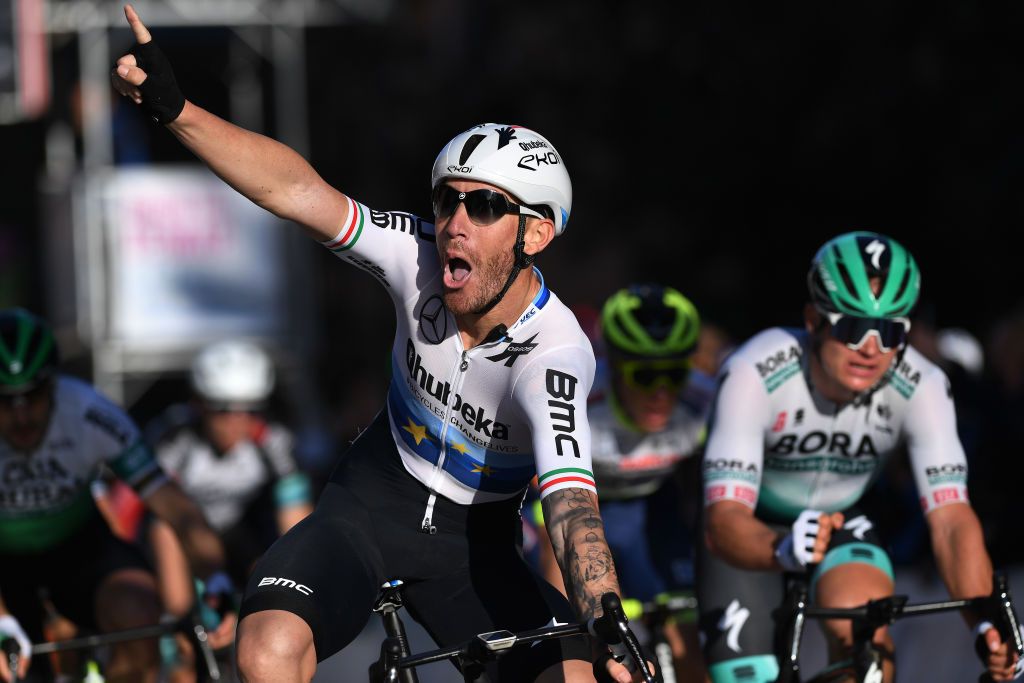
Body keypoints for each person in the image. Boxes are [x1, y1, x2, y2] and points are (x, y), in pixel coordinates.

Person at [112, 6, 644, 682]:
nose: (454, 222)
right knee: (265, 650)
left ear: (535, 234)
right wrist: (179, 110)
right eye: (447, 199)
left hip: (473, 549)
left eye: (484, 207)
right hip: (368, 503)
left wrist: (604, 616)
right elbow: (298, 191)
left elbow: (570, 505)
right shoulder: (415, 255)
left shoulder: (556, 353)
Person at [696, 231, 1021, 682]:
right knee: (746, 676)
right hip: (750, 529)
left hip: (841, 521)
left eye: (890, 331)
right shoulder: (757, 368)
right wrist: (783, 546)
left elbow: (951, 519)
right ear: (813, 320)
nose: (871, 347)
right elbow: (723, 519)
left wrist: (983, 619)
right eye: (852, 327)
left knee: (865, 644)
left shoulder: (922, 384)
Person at [0, 308, 236, 683]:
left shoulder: (88, 412)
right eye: (6, 400)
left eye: (33, 394)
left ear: (54, 383)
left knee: (138, 609)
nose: (22, 414)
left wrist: (216, 578)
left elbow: (175, 509)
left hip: (78, 548)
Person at [540, 284, 711, 680]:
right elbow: (553, 514)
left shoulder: (705, 402)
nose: (662, 392)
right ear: (615, 368)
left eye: (674, 374)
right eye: (646, 376)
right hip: (582, 512)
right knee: (575, 640)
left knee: (687, 644)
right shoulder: (580, 404)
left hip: (653, 510)